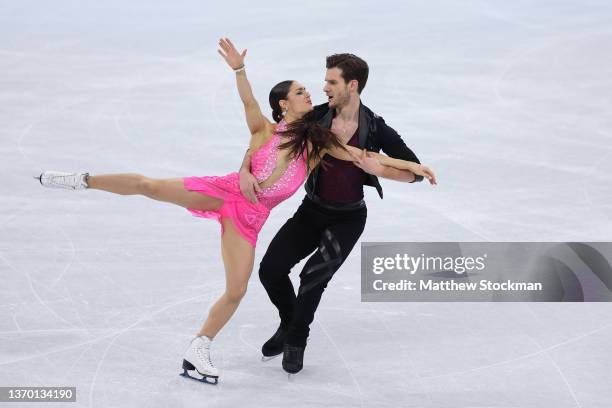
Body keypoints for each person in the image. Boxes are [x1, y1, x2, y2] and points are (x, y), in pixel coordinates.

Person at [35, 38, 435, 384]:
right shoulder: (270, 127)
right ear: (283, 104)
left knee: (239, 289)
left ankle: (202, 347)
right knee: (150, 186)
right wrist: (240, 72)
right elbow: (247, 102)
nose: (313, 93)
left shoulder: (319, 141)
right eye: (302, 91)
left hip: (260, 218)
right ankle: (82, 180)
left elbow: (362, 154)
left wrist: (414, 167)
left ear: (351, 85)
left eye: (320, 87)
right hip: (226, 193)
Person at [239, 52, 432, 374]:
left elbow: (414, 173)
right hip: (311, 211)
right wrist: (245, 168)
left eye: (331, 81)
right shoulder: (314, 118)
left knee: (313, 277)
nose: (324, 87)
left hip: (347, 219)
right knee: (271, 269)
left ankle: (297, 339)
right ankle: (289, 323)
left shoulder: (377, 129)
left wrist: (378, 169)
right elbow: (268, 137)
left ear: (352, 85)